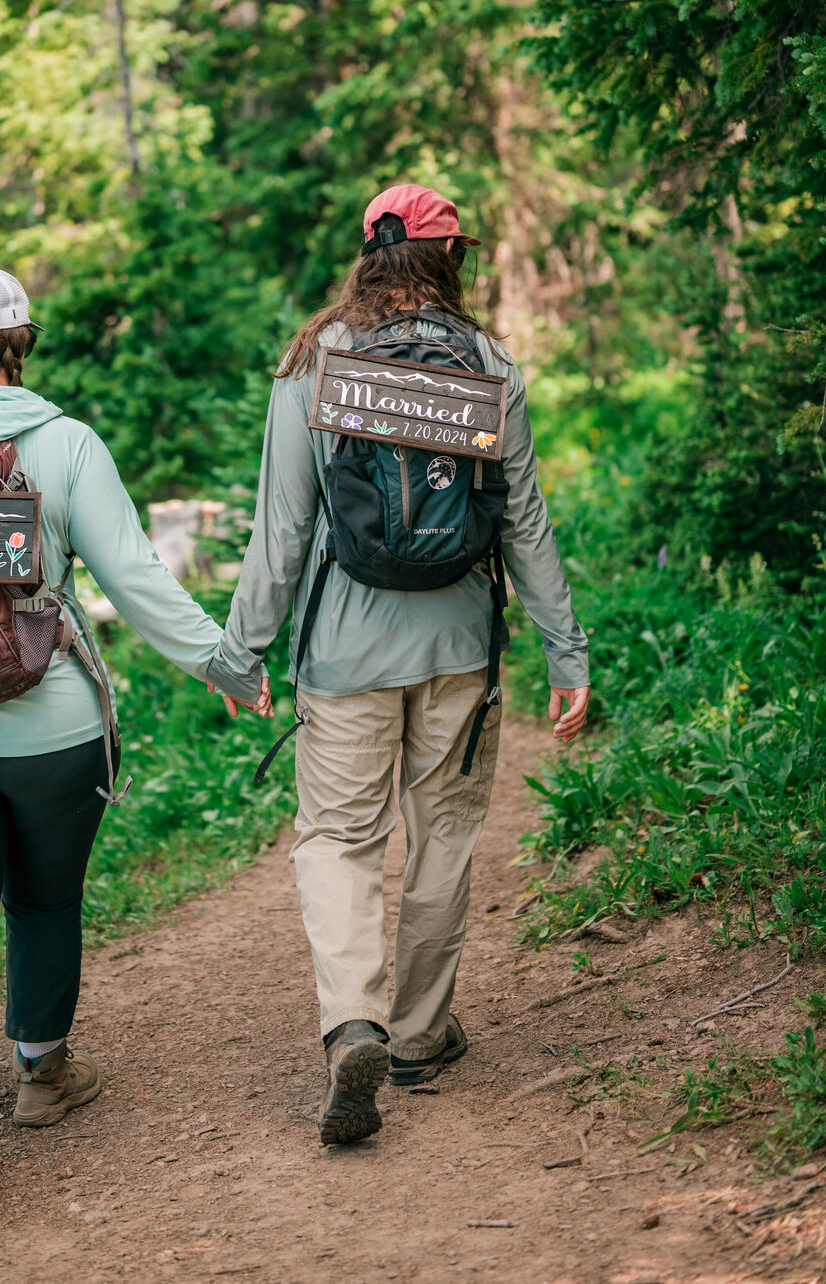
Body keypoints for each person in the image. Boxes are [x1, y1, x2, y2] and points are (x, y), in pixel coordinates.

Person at [0, 266, 269, 1220]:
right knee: (42, 901)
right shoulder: (67, 442)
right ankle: (41, 1073)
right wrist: (225, 664)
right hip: (53, 730)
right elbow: (136, 578)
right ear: (20, 340)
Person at [208, 187, 590, 1146]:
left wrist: (239, 650)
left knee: (337, 836)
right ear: (448, 257)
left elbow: (285, 528)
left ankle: (355, 1021)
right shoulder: (491, 362)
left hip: (344, 650)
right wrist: (565, 647)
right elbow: (526, 519)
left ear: (368, 254)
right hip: (461, 642)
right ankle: (419, 1034)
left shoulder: (313, 359)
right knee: (443, 833)